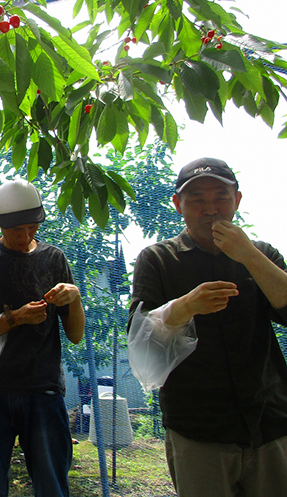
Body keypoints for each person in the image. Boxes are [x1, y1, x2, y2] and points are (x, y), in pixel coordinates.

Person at [129, 157, 287, 497]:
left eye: (220, 197)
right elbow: (139, 340)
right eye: (197, 199)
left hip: (271, 421)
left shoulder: (261, 254)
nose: (210, 209)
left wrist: (248, 255)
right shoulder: (157, 259)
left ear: (238, 201)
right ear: (178, 205)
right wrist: (184, 308)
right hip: (197, 430)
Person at [0, 179, 86, 497]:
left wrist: (76, 297)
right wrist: (14, 318)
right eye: (17, 229)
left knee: (53, 487)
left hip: (43, 391)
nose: (26, 236)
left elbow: (76, 334)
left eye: (32, 227)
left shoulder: (54, 259)